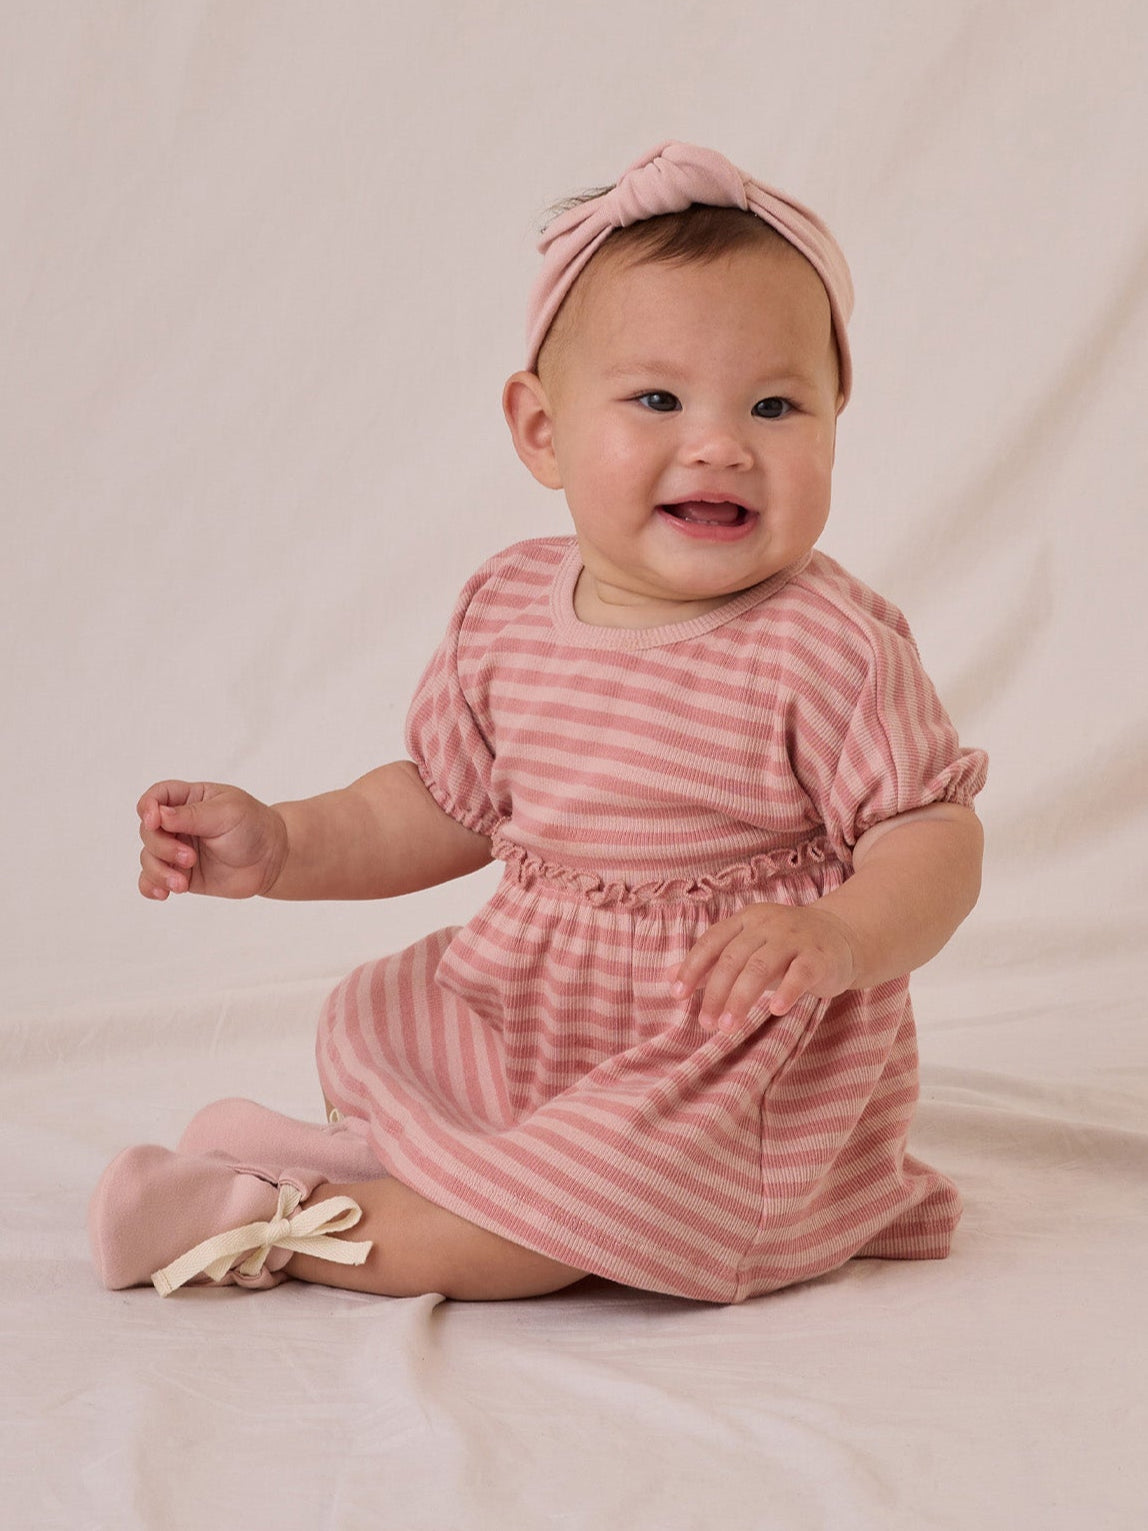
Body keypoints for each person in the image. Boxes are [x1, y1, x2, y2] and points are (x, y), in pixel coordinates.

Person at [90, 142, 987, 1306]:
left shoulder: (828, 647)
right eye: (656, 399)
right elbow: (438, 802)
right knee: (397, 1025)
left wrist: (842, 938)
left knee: (583, 1221)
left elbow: (932, 835)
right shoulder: (506, 608)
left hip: (724, 1057)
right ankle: (411, 1164)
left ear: (831, 427)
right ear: (541, 429)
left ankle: (270, 1221)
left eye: (773, 404)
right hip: (536, 1010)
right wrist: (287, 844)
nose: (718, 443)